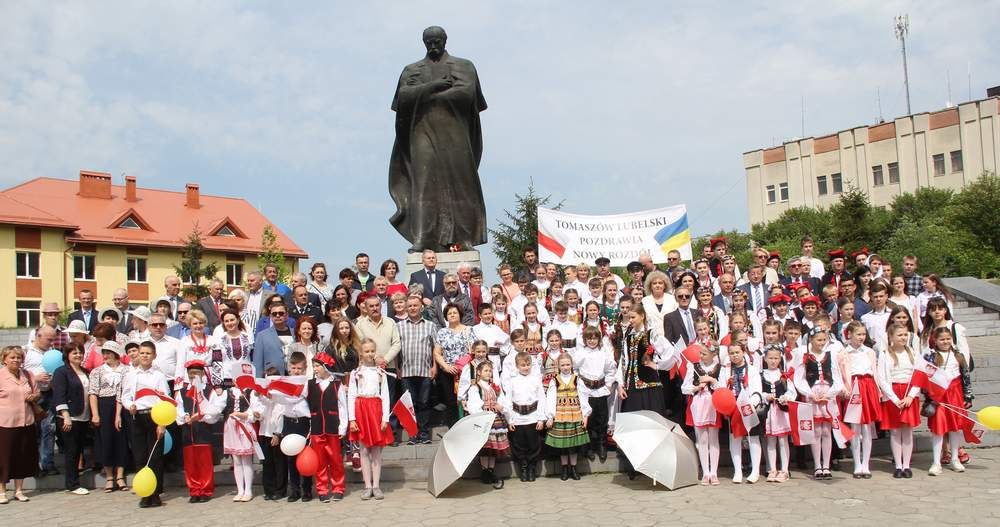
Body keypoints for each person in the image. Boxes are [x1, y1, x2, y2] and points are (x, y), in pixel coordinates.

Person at [119, 341, 170, 508]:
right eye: (142, 353)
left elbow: (164, 400)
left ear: (154, 356)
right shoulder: (131, 375)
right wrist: (129, 406)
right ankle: (144, 493)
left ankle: (155, 493)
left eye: (148, 353)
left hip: (155, 417)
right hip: (137, 417)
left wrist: (161, 424)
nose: (145, 356)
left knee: (154, 457)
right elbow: (125, 396)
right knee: (140, 456)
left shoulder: (159, 375)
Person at [793, 327, 844, 480]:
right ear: (811, 340)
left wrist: (829, 394)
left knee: (827, 432)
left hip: (827, 397)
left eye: (824, 340)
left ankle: (826, 465)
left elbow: (837, 378)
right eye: (818, 340)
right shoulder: (805, 357)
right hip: (813, 397)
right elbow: (799, 379)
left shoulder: (830, 355)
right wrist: (810, 394)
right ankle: (817, 465)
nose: (821, 343)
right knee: (816, 432)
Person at [924, 327, 973, 476]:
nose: (945, 342)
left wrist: (968, 396)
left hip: (956, 394)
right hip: (939, 397)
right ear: (935, 341)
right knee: (939, 428)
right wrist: (930, 397)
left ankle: (955, 459)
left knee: (955, 427)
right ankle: (936, 462)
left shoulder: (958, 356)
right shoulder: (931, 357)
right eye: (941, 339)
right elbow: (927, 379)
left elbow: (966, 377)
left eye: (948, 339)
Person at [348, 340, 393, 500]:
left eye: (372, 351)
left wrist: (385, 419)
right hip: (361, 411)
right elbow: (351, 396)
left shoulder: (380, 373)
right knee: (364, 450)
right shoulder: (355, 373)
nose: (369, 354)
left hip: (376, 410)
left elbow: (386, 396)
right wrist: (352, 419)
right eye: (366, 351)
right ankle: (367, 485)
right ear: (361, 353)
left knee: (376, 451)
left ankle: (376, 486)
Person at [876, 323, 921, 479]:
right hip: (893, 395)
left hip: (909, 395)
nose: (903, 337)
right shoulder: (885, 354)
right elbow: (882, 378)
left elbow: (919, 376)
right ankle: (898, 465)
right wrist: (895, 399)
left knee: (907, 431)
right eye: (900, 335)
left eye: (905, 334)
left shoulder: (913, 353)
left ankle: (907, 465)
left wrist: (911, 395)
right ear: (891, 337)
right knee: (895, 432)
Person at [618, 304, 678, 417]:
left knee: (651, 418)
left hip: (649, 384)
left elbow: (669, 351)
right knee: (633, 417)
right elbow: (623, 361)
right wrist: (620, 384)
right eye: (629, 318)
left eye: (633, 317)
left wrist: (657, 365)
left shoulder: (651, 334)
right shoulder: (628, 337)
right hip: (631, 385)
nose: (630, 320)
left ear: (642, 316)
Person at [175, 359, 222, 503]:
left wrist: (201, 417)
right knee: (190, 463)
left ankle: (206, 491)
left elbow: (215, 411)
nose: (193, 376)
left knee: (204, 463)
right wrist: (185, 416)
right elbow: (178, 409)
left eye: (196, 373)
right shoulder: (182, 392)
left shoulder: (209, 391)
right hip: (188, 432)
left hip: (203, 431)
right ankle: (194, 490)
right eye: (190, 374)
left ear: (202, 374)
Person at [88, 341, 130, 493]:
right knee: (105, 440)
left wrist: (119, 412)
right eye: (103, 352)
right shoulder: (97, 371)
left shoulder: (126, 370)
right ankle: (109, 476)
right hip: (104, 405)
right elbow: (93, 392)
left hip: (121, 406)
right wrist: (95, 414)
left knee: (121, 440)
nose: (105, 355)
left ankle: (120, 475)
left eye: (108, 352)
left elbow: (125, 391)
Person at [718, 341, 763, 484]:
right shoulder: (725, 370)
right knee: (734, 438)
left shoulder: (752, 369)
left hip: (749, 407)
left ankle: (755, 471)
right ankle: (737, 470)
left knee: (753, 438)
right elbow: (721, 388)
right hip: (733, 407)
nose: (734, 355)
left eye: (737, 352)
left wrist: (751, 404)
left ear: (743, 352)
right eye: (731, 353)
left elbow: (757, 390)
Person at [840, 321, 880, 479]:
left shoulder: (869, 351)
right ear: (849, 334)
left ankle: (866, 464)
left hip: (868, 386)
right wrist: (845, 389)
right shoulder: (844, 353)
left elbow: (874, 372)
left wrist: (877, 391)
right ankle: (857, 463)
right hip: (854, 388)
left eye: (863, 334)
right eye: (858, 334)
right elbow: (842, 374)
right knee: (855, 427)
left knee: (868, 428)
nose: (861, 337)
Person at [1, 345, 41, 503]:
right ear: (4, 360)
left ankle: (19, 490)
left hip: (26, 421)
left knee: (22, 456)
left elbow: (37, 392)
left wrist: (34, 397)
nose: (16, 360)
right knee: (4, 457)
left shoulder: (28, 374)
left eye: (19, 357)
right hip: (5, 423)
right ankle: (2, 491)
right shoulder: (0, 376)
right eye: (12, 357)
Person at [397, 296, 439, 444]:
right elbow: (396, 349)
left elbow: (436, 348)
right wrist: (397, 368)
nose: (413, 308)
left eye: (416, 305)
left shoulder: (430, 325)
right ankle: (412, 434)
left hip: (425, 370)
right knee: (410, 404)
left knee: (424, 402)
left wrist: (435, 366)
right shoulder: (400, 326)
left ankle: (424, 434)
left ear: (421, 307)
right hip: (406, 371)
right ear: (406, 308)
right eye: (410, 306)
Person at [544, 353, 591, 481]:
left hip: (575, 414)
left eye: (568, 364)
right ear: (558, 366)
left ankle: (574, 468)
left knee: (573, 445)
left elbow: (583, 397)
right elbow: (551, 398)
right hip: (560, 415)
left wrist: (585, 415)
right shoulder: (555, 380)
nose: (565, 367)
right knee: (563, 445)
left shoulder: (577, 379)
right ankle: (564, 468)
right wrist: (550, 416)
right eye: (563, 365)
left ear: (571, 365)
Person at [681, 342, 722, 485]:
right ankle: (705, 472)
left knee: (713, 438)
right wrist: (696, 387)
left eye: (704, 354)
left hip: (713, 405)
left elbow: (723, 388)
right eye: (700, 353)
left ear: (713, 354)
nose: (701, 356)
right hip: (698, 404)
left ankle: (714, 472)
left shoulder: (719, 367)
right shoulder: (693, 367)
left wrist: (712, 380)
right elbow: (684, 388)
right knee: (702, 439)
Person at [503, 352, 547, 482]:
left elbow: (541, 399)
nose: (526, 367)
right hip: (518, 418)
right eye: (523, 365)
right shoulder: (512, 381)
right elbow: (508, 401)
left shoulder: (536, 380)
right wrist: (509, 419)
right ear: (517, 366)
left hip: (533, 417)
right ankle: (523, 467)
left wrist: (540, 418)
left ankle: (532, 468)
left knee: (534, 444)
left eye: (528, 365)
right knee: (519, 445)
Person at [464, 361, 509, 487]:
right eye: (485, 370)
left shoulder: (495, 387)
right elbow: (473, 406)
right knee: (486, 447)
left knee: (493, 447)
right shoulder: (475, 388)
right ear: (478, 372)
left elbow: (502, 401)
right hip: (484, 420)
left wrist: (502, 407)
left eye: (490, 371)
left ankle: (491, 470)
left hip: (496, 419)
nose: (488, 373)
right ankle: (485, 471)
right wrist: (482, 414)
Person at [432, 304, 474, 426]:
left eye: (454, 312)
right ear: (446, 316)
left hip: (465, 372)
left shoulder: (468, 330)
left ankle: (467, 426)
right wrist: (446, 367)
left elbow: (474, 350)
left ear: (460, 314)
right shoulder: (442, 332)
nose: (452, 315)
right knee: (450, 401)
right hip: (448, 372)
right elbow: (437, 353)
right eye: (449, 313)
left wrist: (463, 367)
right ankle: (453, 427)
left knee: (467, 399)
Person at [23, 325, 56, 477]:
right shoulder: (26, 352)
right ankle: (33, 466)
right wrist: (35, 378)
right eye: (49, 339)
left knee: (48, 430)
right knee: (33, 432)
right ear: (39, 336)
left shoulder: (52, 353)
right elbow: (17, 373)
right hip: (31, 397)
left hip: (48, 394)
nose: (51, 342)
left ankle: (48, 464)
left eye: (53, 340)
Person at [760, 345, 796, 483]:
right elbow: (757, 390)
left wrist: (786, 397)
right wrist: (765, 396)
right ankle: (772, 469)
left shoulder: (784, 375)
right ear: (765, 358)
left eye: (776, 358)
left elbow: (792, 391)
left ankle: (785, 469)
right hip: (769, 412)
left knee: (783, 440)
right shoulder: (762, 374)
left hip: (781, 411)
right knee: (770, 440)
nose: (773, 361)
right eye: (770, 358)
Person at [281, 352, 313, 502]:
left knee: (304, 456)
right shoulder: (283, 382)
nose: (296, 371)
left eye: (299, 368)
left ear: (305, 368)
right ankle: (295, 490)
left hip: (303, 422)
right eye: (293, 368)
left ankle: (307, 489)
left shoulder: (308, 383)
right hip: (288, 422)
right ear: (289, 368)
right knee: (290, 458)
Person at [223, 382, 257, 502]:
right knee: (236, 460)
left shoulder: (250, 392)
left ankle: (248, 490)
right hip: (231, 427)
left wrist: (241, 415)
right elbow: (217, 407)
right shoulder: (228, 392)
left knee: (246, 460)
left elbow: (253, 412)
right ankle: (240, 490)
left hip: (245, 426)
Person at [176, 310, 220, 386]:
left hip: (208, 379)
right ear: (190, 325)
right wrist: (178, 387)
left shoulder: (213, 340)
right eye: (195, 323)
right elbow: (180, 364)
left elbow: (218, 363)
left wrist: (218, 385)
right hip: (190, 380)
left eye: (201, 323)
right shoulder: (184, 341)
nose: (198, 326)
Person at [253, 303, 293, 377]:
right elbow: (257, 363)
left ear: (287, 315)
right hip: (272, 378)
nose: (277, 316)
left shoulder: (295, 333)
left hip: (294, 377)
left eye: (281, 313)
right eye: (274, 314)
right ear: (271, 317)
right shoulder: (262, 336)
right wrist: (258, 382)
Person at [216, 309, 252, 388]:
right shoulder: (220, 339)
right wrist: (217, 385)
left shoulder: (248, 337)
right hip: (228, 378)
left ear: (238, 320)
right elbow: (216, 361)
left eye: (232, 320)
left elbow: (253, 358)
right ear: (223, 323)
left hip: (246, 376)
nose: (230, 323)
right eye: (227, 321)